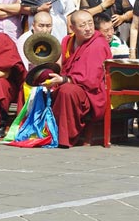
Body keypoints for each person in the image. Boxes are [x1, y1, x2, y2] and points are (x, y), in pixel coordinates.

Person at [47, 10, 110, 148]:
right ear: (72, 28)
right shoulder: (67, 41)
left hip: (90, 93)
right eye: (82, 25)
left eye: (90, 23)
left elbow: (91, 79)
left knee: (67, 91)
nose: (88, 28)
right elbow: (59, 65)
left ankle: (65, 138)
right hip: (67, 84)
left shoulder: (98, 44)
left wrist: (63, 80)